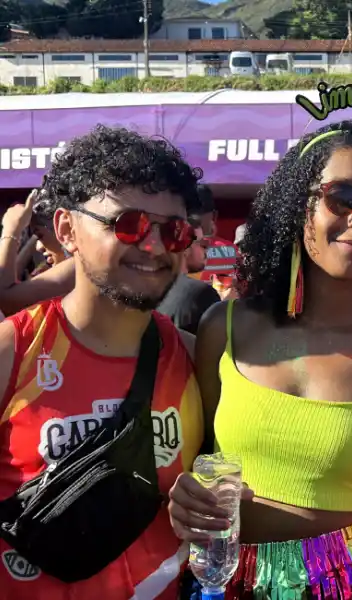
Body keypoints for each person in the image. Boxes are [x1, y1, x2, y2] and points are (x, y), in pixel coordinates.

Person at [167, 121, 352, 600]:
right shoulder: (224, 327)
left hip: (348, 584)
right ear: (299, 205)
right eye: (342, 198)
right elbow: (197, 462)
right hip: (224, 582)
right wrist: (186, 496)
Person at [0, 125, 204, 599]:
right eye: (128, 224)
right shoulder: (13, 352)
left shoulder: (197, 359)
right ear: (68, 230)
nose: (153, 247)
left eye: (173, 231)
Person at [157, 186, 222, 334]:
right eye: (203, 244)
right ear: (184, 246)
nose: (207, 250)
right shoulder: (199, 294)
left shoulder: (151, 290)